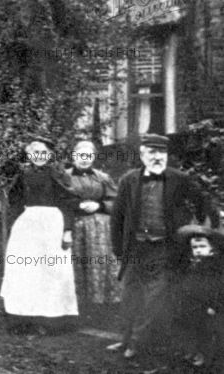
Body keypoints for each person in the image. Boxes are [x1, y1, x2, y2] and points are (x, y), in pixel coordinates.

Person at [108, 134, 220, 359]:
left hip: (166, 248)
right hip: (136, 248)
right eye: (151, 152)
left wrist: (204, 230)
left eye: (161, 153)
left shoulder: (179, 178)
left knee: (154, 298)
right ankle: (125, 339)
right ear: (142, 155)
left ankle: (137, 344)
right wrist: (118, 248)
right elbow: (117, 216)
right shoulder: (128, 180)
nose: (157, 157)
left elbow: (203, 201)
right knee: (131, 294)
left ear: (166, 156)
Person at [0, 136, 79, 334]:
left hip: (53, 224)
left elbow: (68, 203)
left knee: (51, 272)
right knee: (26, 271)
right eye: (35, 153)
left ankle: (50, 321)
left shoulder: (57, 174)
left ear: (50, 155)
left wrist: (67, 231)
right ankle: (23, 319)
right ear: (29, 155)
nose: (39, 157)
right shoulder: (23, 174)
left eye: (43, 153)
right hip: (28, 226)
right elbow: (14, 201)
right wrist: (14, 224)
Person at [67, 140, 121, 305]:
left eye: (88, 156)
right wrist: (77, 205)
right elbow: (59, 200)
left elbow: (117, 201)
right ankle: (77, 304)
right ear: (74, 156)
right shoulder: (64, 176)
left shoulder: (103, 178)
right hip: (74, 225)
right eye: (81, 155)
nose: (84, 159)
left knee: (99, 263)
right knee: (76, 263)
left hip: (99, 230)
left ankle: (102, 304)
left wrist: (99, 205)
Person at [173, 224, 224, 368]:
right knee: (191, 328)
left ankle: (205, 355)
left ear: (212, 248)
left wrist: (214, 305)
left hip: (207, 304)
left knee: (206, 331)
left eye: (202, 246)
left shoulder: (215, 265)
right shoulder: (194, 263)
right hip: (192, 303)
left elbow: (219, 288)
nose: (198, 250)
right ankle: (193, 351)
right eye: (195, 248)